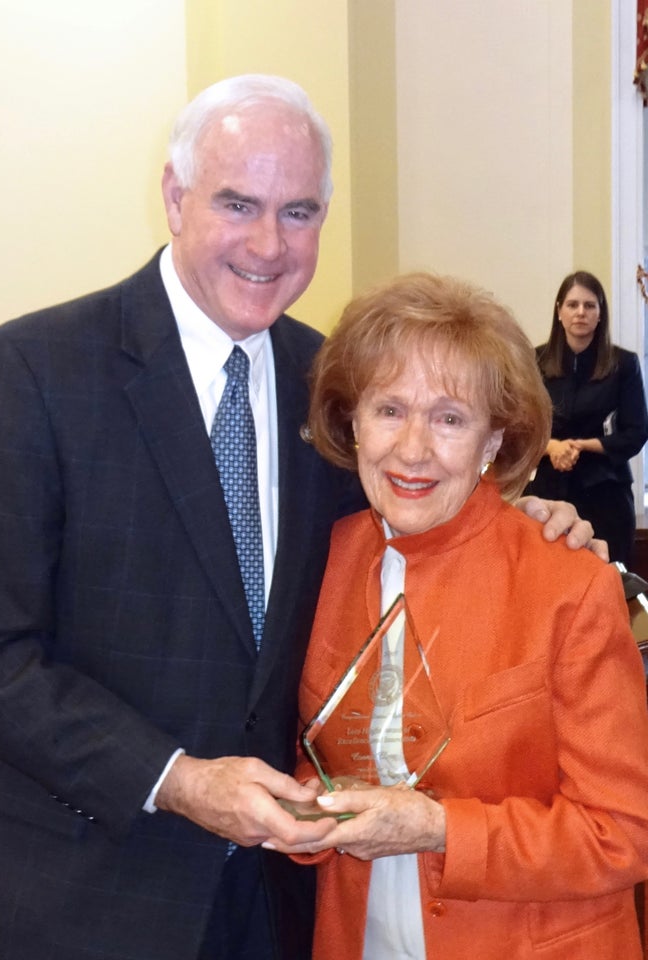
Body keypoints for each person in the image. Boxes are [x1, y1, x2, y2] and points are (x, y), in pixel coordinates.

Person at [0, 76, 599, 960]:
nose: (268, 243)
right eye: (238, 203)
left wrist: (528, 515)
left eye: (300, 211)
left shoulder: (332, 384)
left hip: (277, 905)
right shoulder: (35, 371)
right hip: (79, 904)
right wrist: (175, 781)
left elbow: (413, 519)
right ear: (174, 196)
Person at [263, 273, 648, 959]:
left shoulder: (568, 583)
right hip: (356, 936)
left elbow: (624, 829)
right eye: (389, 410)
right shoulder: (319, 563)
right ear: (352, 421)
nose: (412, 449)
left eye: (449, 418)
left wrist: (440, 827)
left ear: (495, 439)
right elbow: (308, 752)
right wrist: (300, 812)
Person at [524, 270, 648, 565]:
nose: (581, 312)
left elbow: (636, 431)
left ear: (600, 313)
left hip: (605, 491)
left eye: (590, 305)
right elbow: (519, 427)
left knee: (609, 581)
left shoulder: (623, 364)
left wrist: (581, 446)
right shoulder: (534, 360)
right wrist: (552, 447)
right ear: (559, 311)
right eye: (572, 304)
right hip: (547, 491)